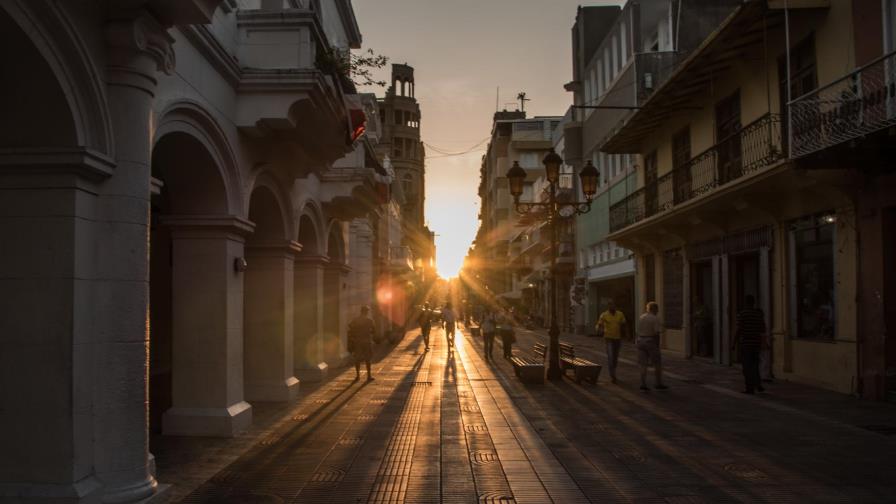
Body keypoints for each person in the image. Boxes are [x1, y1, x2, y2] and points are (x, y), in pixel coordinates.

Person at [734, 295, 766, 394]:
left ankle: (749, 387)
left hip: (746, 343)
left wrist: (734, 342)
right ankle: (758, 384)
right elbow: (763, 329)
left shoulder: (742, 314)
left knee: (747, 366)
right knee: (755, 365)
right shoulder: (758, 314)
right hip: (756, 343)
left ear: (745, 303)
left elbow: (739, 329)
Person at [636, 302, 667, 391]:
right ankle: (658, 383)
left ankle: (643, 384)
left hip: (640, 340)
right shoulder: (655, 318)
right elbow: (656, 332)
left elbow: (637, 330)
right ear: (655, 309)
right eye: (657, 309)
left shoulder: (641, 317)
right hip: (650, 340)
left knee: (643, 364)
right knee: (657, 363)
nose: (658, 311)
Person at [597, 300, 627, 384]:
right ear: (608, 307)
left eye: (613, 305)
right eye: (610, 305)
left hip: (617, 338)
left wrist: (627, 334)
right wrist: (600, 329)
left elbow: (624, 324)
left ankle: (613, 369)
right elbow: (599, 324)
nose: (612, 307)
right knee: (610, 356)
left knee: (615, 357)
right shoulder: (604, 315)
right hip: (608, 338)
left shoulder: (620, 314)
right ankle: (612, 375)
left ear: (615, 306)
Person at [348, 305, 376, 381]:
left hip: (358, 341)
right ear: (366, 312)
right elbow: (373, 331)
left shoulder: (355, 320)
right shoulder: (369, 321)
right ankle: (369, 376)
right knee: (368, 359)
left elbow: (350, 326)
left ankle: (358, 376)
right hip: (367, 341)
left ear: (361, 311)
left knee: (357, 359)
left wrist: (356, 333)